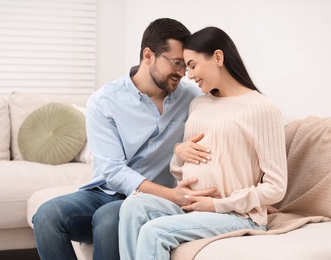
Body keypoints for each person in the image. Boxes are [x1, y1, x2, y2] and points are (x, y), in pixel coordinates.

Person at [32, 18, 217, 260]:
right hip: (106, 192)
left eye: (185, 65)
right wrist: (171, 194)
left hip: (152, 200)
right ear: (148, 55)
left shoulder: (192, 98)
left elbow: (231, 106)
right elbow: (113, 171)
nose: (182, 73)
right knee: (46, 215)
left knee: (109, 218)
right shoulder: (105, 101)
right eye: (176, 63)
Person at [118, 26, 288, 260]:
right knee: (132, 206)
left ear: (218, 57)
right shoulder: (199, 105)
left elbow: (276, 187)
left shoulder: (262, 109)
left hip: (233, 214)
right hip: (190, 204)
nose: (188, 75)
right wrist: (179, 152)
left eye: (193, 65)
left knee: (154, 232)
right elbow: (178, 170)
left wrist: (219, 205)